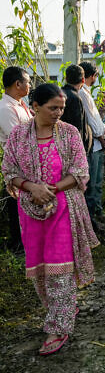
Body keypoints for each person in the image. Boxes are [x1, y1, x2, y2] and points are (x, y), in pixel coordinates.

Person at [2, 83, 98, 355]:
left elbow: (80, 171)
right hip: (30, 212)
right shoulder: (19, 135)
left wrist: (51, 189)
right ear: (35, 107)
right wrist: (32, 188)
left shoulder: (69, 133)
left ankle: (59, 326)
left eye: (62, 108)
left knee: (60, 268)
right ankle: (60, 308)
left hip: (64, 210)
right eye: (53, 108)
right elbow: (8, 170)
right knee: (40, 270)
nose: (58, 112)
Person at [0, 66, 33, 251]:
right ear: (17, 84)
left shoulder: (21, 105)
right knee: (17, 205)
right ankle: (18, 244)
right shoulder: (5, 109)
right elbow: (18, 140)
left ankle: (26, 242)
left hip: (28, 162)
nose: (29, 85)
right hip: (17, 164)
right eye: (27, 81)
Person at [78, 61, 105, 225]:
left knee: (96, 182)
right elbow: (92, 121)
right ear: (92, 76)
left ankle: (97, 212)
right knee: (93, 184)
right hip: (94, 144)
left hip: (96, 143)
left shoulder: (86, 93)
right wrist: (102, 137)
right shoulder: (83, 93)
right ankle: (92, 219)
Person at [61, 64, 93, 154]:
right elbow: (78, 127)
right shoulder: (75, 98)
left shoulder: (58, 94)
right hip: (73, 150)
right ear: (83, 80)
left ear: (66, 78)